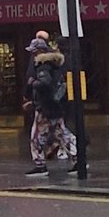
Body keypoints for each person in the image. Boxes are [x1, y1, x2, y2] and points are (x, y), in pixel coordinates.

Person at [25, 38, 78, 176]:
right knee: (63, 134)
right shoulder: (55, 65)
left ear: (40, 51)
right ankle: (78, 159)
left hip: (45, 108)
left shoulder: (43, 66)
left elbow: (45, 83)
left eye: (34, 52)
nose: (32, 55)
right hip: (55, 107)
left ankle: (39, 164)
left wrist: (33, 83)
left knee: (36, 137)